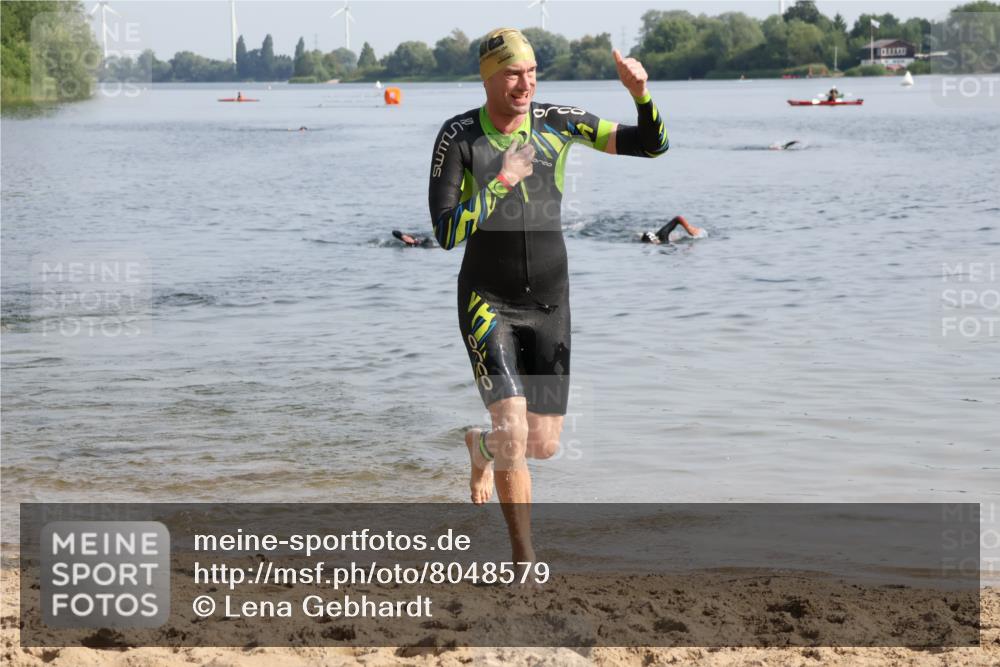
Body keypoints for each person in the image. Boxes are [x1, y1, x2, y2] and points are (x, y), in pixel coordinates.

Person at [428, 28, 669, 562]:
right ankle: (524, 560)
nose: (525, 83)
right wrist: (503, 180)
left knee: (543, 445)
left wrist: (640, 95)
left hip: (550, 304)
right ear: (489, 77)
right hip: (487, 300)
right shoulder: (459, 136)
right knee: (513, 428)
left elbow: (652, 145)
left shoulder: (559, 122)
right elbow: (445, 233)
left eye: (532, 72)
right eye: (513, 73)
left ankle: (480, 447)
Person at [639, 216, 704, 244]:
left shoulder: (663, 236)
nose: (655, 243)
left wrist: (690, 229)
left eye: (655, 241)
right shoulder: (659, 242)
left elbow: (678, 218)